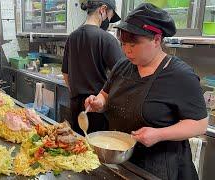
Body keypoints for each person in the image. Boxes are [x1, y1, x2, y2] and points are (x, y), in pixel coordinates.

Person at [85, 3, 208, 180]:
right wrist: (98, 103)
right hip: (121, 162)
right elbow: (105, 95)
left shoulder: (180, 75)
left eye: (133, 45)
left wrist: (159, 134)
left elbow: (199, 124)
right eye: (123, 44)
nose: (126, 50)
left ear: (157, 40)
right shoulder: (123, 66)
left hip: (158, 169)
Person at [61, 0, 125, 135]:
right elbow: (122, 75)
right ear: (102, 10)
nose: (108, 21)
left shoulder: (72, 37)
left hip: (76, 107)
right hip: (97, 106)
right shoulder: (107, 39)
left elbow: (66, 74)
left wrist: (76, 96)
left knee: (80, 145)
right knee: (96, 151)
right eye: (109, 16)